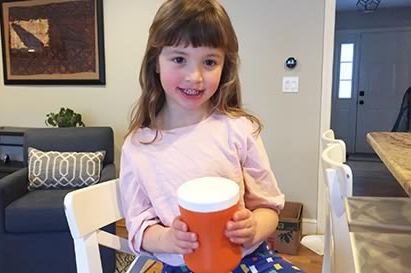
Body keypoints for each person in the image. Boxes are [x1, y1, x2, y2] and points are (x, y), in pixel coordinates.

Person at [119, 0, 306, 272]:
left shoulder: (239, 128)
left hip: (250, 259)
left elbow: (269, 208)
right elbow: (139, 229)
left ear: (224, 66)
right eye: (179, 59)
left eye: (209, 61)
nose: (194, 76)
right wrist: (169, 238)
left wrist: (254, 227)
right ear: (155, 62)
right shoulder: (138, 146)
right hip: (184, 266)